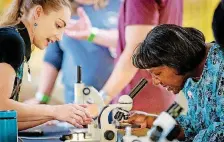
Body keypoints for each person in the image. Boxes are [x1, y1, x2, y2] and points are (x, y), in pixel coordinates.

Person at [0, 0, 92, 131]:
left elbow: (7, 122)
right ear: (38, 13)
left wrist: (57, 115)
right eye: (58, 25)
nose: (60, 37)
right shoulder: (11, 41)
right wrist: (53, 110)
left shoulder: (16, 40)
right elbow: (2, 107)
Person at [125, 24, 224, 141]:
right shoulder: (189, 74)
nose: (156, 82)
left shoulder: (220, 65)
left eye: (157, 74)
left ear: (175, 60)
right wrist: (149, 121)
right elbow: (193, 128)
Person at [25, 0, 121, 105]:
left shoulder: (120, 4)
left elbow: (131, 42)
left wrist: (91, 34)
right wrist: (41, 98)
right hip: (74, 99)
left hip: (115, 99)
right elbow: (53, 57)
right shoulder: (60, 8)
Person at [99, 0, 183, 114]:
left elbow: (136, 50)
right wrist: (90, 34)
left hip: (139, 104)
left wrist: (101, 99)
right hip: (162, 95)